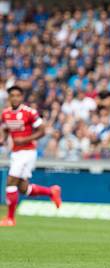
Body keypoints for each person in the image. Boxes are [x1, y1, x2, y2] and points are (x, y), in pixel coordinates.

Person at [0, 86, 62, 227]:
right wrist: (3, 139)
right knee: (23, 188)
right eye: (12, 95)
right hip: (15, 153)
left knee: (10, 182)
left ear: (21, 97)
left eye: (18, 95)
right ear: (9, 98)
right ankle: (52, 192)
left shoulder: (29, 112)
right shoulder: (6, 114)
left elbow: (42, 130)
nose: (15, 98)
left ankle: (10, 219)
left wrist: (25, 139)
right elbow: (5, 128)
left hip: (27, 152)